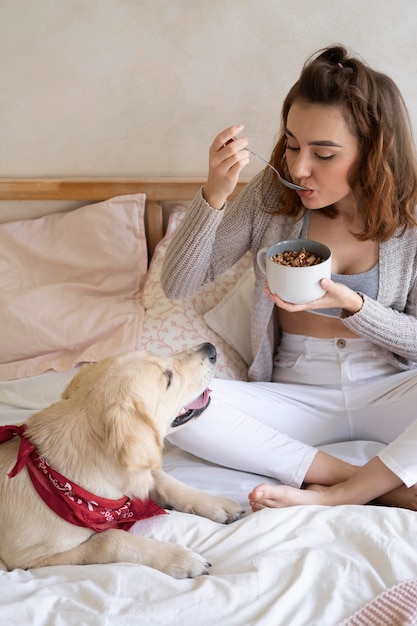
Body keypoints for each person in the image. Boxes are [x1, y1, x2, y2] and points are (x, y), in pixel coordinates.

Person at [161, 45, 417, 512]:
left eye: (323, 153)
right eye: (294, 145)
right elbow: (177, 284)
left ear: (373, 151)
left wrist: (354, 308)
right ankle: (367, 482)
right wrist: (214, 194)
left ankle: (338, 496)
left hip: (389, 388)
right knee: (175, 406)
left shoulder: (411, 217)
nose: (299, 168)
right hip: (297, 393)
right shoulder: (272, 196)